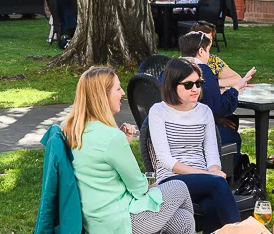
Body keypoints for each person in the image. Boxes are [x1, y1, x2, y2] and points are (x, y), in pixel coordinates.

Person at [64, 66, 194, 233]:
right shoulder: (111, 137)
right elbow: (138, 187)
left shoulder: (73, 131)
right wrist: (151, 186)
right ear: (103, 96)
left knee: (183, 219)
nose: (123, 93)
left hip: (96, 220)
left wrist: (122, 143)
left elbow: (100, 169)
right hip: (122, 221)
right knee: (179, 187)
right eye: (118, 89)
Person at [148, 57, 240, 232]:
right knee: (218, 184)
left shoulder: (204, 112)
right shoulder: (158, 111)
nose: (195, 89)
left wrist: (213, 169)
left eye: (199, 83)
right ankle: (241, 230)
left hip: (204, 180)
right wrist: (207, 174)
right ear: (172, 85)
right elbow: (166, 161)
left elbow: (212, 152)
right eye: (188, 85)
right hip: (170, 180)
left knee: (211, 206)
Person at [179, 31, 254, 147]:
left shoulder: (168, 68)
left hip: (170, 129)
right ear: (201, 51)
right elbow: (218, 108)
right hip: (194, 133)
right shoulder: (202, 71)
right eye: (208, 51)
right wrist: (235, 89)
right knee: (232, 136)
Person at [192, 21, 243, 89]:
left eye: (209, 40)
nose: (206, 44)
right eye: (203, 40)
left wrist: (213, 83)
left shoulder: (213, 61)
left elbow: (237, 79)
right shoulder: (185, 61)